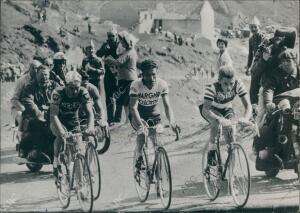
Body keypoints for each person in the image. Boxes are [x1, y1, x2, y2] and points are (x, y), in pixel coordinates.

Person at [129, 59, 179, 169]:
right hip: (138, 115)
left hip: (154, 116)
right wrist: (141, 126)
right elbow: (133, 107)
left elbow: (167, 105)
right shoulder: (136, 85)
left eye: (153, 74)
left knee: (158, 141)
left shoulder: (162, 84)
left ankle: (157, 169)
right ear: (142, 74)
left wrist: (172, 122)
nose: (151, 78)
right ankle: (139, 157)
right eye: (147, 75)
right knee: (142, 135)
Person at [199, 66, 252, 165]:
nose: (228, 88)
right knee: (216, 123)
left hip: (226, 107)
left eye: (231, 84)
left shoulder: (238, 84)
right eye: (225, 84)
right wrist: (219, 119)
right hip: (210, 108)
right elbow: (205, 110)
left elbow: (248, 106)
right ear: (219, 81)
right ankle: (212, 148)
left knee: (231, 136)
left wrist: (246, 118)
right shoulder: (212, 87)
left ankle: (230, 175)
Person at [50, 71, 95, 179]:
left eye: (77, 88)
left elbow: (90, 113)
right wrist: (62, 132)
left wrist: (90, 127)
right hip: (58, 120)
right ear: (65, 85)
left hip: (73, 120)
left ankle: (83, 177)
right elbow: (54, 115)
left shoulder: (83, 92)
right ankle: (56, 162)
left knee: (79, 150)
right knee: (60, 137)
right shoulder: (58, 93)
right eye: (71, 88)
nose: (75, 91)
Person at [19, 65, 58, 157]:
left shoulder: (54, 85)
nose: (44, 78)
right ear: (36, 75)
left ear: (49, 75)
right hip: (36, 115)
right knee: (38, 125)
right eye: (41, 75)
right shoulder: (30, 87)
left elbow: (62, 94)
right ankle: (35, 149)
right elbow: (28, 101)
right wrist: (39, 114)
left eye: (46, 75)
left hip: (52, 113)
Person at [104, 30, 138, 124]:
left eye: (123, 42)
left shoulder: (128, 52)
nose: (122, 44)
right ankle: (126, 120)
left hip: (127, 79)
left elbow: (118, 62)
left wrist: (109, 60)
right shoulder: (130, 52)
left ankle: (123, 120)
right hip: (127, 78)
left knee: (123, 100)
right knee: (124, 100)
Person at [96, 28, 119, 126]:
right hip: (109, 74)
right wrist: (104, 49)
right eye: (109, 36)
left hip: (119, 73)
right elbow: (98, 53)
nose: (110, 38)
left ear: (116, 36)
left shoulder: (119, 45)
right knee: (109, 97)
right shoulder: (106, 44)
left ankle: (118, 117)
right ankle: (110, 119)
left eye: (112, 36)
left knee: (119, 96)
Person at [11, 60, 42, 130]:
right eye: (34, 68)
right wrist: (23, 109)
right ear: (29, 68)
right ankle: (20, 135)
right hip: (19, 108)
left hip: (33, 107)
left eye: (37, 68)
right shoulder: (22, 80)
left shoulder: (40, 79)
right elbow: (14, 99)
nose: (36, 70)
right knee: (22, 119)